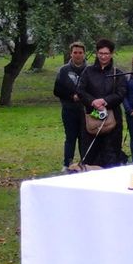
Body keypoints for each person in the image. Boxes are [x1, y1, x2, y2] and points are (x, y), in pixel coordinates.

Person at [77, 38, 127, 167]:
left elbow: (121, 93)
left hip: (112, 118)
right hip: (92, 115)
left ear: (111, 54)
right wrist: (93, 101)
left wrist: (105, 101)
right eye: (101, 53)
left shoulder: (118, 73)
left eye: (106, 53)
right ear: (96, 53)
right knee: (91, 152)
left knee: (111, 153)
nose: (103, 56)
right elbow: (80, 91)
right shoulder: (87, 71)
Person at [52, 41, 88, 171]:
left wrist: (83, 97)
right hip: (69, 109)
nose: (77, 55)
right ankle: (67, 163)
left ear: (84, 54)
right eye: (75, 53)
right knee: (70, 137)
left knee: (84, 138)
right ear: (70, 54)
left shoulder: (89, 69)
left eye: (80, 53)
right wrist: (71, 96)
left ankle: (85, 163)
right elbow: (57, 90)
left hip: (85, 110)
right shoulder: (63, 70)